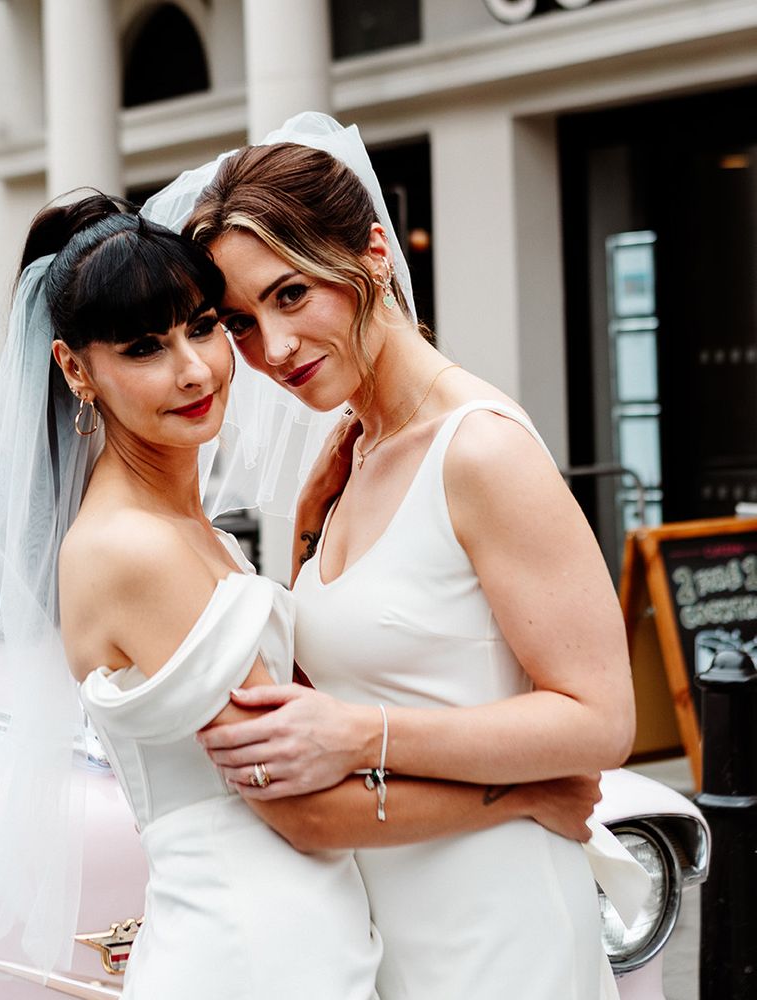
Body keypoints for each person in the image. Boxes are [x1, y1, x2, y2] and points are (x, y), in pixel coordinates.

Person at [0, 190, 609, 998]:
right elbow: (304, 807)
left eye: (204, 327)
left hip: (315, 935)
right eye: (145, 347)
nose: (194, 369)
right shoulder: (132, 549)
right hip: (253, 951)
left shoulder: (193, 533)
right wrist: (528, 794)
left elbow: (286, 696)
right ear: (76, 369)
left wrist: (301, 540)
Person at [142, 113, 642, 1000]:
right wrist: (303, 534)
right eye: (243, 324)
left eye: (292, 295)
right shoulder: (345, 459)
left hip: (499, 921)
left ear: (373, 252)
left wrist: (360, 737)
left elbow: (600, 721)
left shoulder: (480, 450)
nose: (274, 350)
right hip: (389, 920)